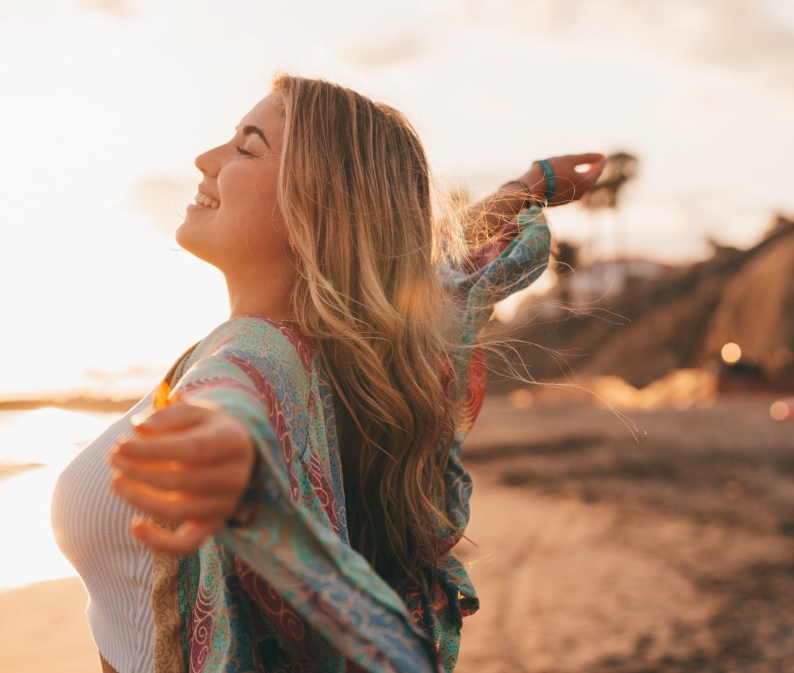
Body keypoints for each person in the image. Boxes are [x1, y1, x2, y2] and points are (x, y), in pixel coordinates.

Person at [52, 74, 604, 673]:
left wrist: (231, 452)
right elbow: (439, 281)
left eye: (246, 146)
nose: (205, 160)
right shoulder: (331, 348)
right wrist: (523, 189)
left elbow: (234, 402)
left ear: (318, 204)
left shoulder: (253, 357)